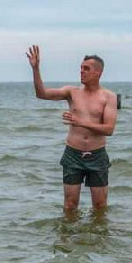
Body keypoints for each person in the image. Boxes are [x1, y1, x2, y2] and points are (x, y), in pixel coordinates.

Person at [26, 45, 117, 212]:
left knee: (100, 206)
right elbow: (42, 94)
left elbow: (109, 129)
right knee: (70, 205)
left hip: (97, 155)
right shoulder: (72, 92)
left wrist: (80, 121)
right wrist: (36, 68)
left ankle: (98, 237)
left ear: (98, 73)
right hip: (73, 154)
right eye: (81, 68)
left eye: (86, 69)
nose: (81, 71)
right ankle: (69, 237)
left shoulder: (109, 97)